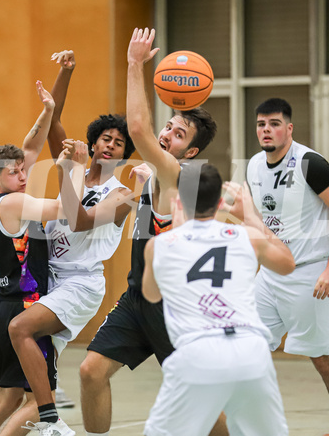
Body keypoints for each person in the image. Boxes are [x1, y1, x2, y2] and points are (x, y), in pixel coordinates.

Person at [79, 28, 226, 436]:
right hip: (137, 298)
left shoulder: (182, 175)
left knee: (202, 403)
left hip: (176, 307)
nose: (165, 135)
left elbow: (139, 131)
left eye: (179, 135)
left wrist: (134, 64)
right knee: (91, 371)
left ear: (191, 152)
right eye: (169, 127)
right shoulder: (149, 178)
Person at [5, 51, 136, 436]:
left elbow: (77, 221)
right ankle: (41, 414)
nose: (110, 145)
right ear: (93, 143)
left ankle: (51, 419)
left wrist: (69, 169)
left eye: (118, 143)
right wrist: (67, 70)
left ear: (125, 154)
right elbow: (54, 116)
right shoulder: (75, 162)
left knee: (19, 329)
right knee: (15, 389)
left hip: (80, 284)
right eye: (105, 139)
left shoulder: (124, 193)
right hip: (45, 277)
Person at [238, 97, 329, 436]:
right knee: (245, 348)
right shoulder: (253, 165)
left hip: (310, 274)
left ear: (289, 128)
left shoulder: (309, 163)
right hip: (270, 275)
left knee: (325, 361)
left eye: (275, 123)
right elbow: (264, 224)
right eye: (262, 124)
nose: (267, 130)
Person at [0, 82, 86, 436]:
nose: (23, 176)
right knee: (39, 401)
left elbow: (32, 146)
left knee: (5, 400)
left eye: (23, 171)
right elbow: (65, 210)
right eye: (15, 173)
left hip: (2, 310)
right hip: (24, 310)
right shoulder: (14, 203)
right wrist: (75, 168)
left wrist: (48, 111)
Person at [141, 162, 293, 436]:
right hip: (251, 351)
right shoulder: (249, 237)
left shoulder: (158, 246)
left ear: (178, 200)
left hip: (197, 353)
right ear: (221, 202)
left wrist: (177, 225)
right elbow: (287, 264)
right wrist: (253, 217)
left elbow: (151, 295)